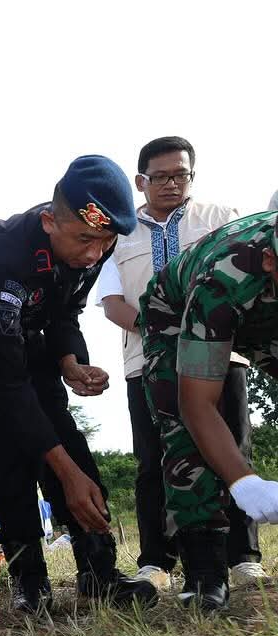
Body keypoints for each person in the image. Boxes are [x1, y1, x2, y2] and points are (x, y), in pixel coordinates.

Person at [0, 155, 157, 615]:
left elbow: (64, 311)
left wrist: (69, 362)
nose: (94, 254)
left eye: (106, 242)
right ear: (49, 222)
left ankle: (99, 575)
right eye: (85, 240)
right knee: (11, 464)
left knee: (72, 450)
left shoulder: (90, 242)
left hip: (29, 347)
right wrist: (64, 473)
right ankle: (30, 583)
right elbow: (4, 382)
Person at [96, 137, 261, 591]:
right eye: (161, 176)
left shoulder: (222, 218)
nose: (172, 184)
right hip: (146, 360)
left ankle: (242, 556)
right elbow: (112, 303)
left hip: (222, 355)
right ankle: (156, 560)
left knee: (231, 447)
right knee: (153, 459)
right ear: (140, 181)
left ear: (192, 176)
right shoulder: (117, 233)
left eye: (181, 175)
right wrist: (160, 332)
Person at [138, 211, 278, 611]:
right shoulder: (222, 281)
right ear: (271, 259)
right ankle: (205, 571)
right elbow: (195, 405)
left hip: (265, 308)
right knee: (184, 428)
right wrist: (244, 482)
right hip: (175, 310)